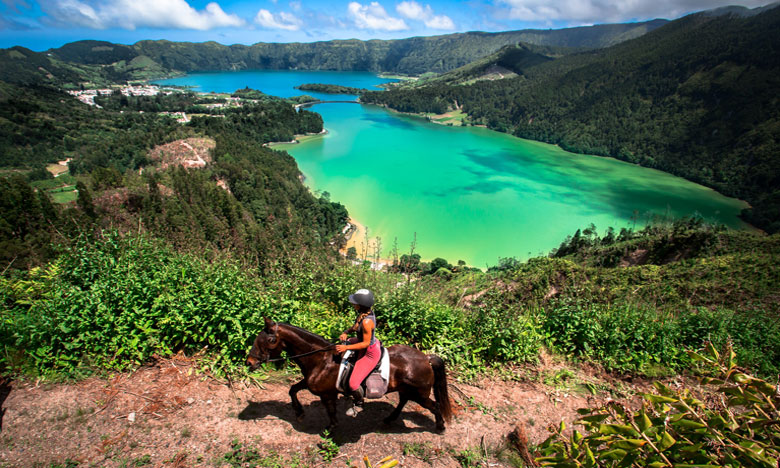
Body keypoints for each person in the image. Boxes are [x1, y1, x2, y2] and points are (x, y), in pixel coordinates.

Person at [335, 288, 381, 416]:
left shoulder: (367, 322)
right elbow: (355, 327)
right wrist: (346, 332)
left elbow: (365, 344)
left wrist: (347, 348)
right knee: (345, 342)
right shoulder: (363, 314)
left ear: (361, 304)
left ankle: (359, 403)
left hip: (369, 351)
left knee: (353, 383)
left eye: (355, 303)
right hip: (361, 341)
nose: (353, 304)